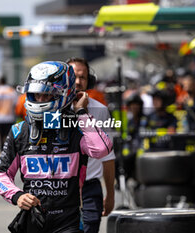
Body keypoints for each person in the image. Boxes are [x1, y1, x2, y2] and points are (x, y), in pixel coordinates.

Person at [0, 61, 113, 233]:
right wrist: (17, 195)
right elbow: (1, 174)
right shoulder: (19, 131)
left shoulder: (77, 128)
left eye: (47, 95)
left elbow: (102, 149)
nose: (40, 100)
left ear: (64, 95)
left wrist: (81, 113)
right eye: (36, 94)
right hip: (33, 219)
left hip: (68, 222)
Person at [66, 57, 116, 233]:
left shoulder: (100, 110)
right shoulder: (52, 111)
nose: (78, 82)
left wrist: (110, 194)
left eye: (83, 77)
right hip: (60, 188)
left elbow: (108, 156)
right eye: (73, 76)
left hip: (90, 189)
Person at [0, 76, 18, 152]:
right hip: (9, 117)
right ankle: (7, 151)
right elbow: (15, 105)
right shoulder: (11, 91)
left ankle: (0, 151)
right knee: (8, 136)